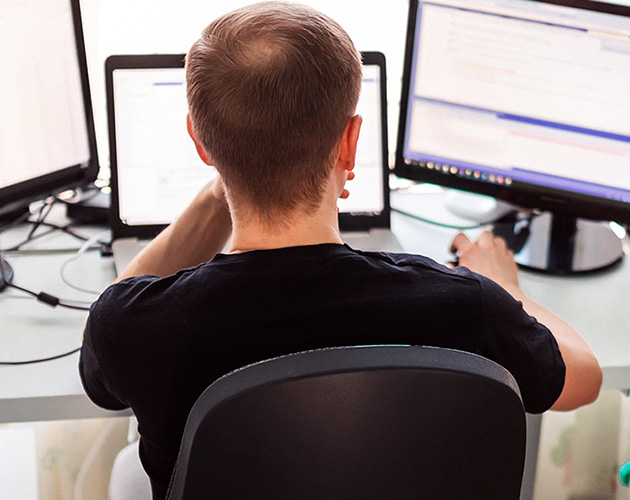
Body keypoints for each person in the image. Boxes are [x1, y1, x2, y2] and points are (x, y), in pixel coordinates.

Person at [79, 3, 602, 499]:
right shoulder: (465, 306)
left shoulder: (136, 326)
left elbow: (104, 365)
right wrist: (507, 288)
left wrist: (228, 178)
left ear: (199, 142)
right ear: (350, 143)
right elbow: (583, 377)